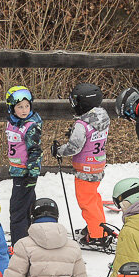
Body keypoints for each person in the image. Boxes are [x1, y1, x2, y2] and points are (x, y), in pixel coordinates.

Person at [54, 83, 112, 251]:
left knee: (86, 203)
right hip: (97, 164)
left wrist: (59, 151)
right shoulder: (102, 118)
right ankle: (99, 228)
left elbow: (74, 147)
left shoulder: (82, 124)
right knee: (94, 199)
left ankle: (97, 236)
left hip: (85, 168)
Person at [4, 86, 43, 245]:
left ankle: (18, 245)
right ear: (11, 108)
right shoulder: (13, 122)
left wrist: (32, 175)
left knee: (17, 211)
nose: (24, 110)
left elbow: (35, 151)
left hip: (25, 174)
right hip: (16, 172)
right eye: (20, 107)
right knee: (27, 207)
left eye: (27, 106)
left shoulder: (30, 126)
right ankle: (27, 239)